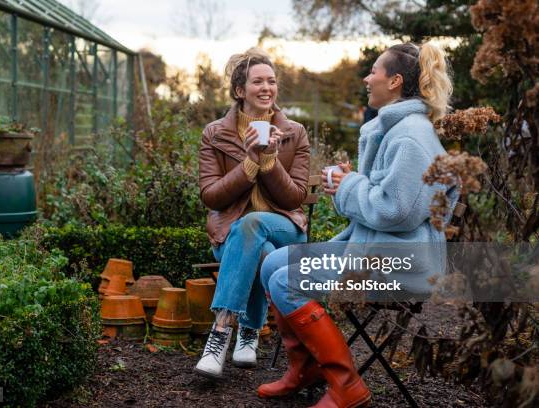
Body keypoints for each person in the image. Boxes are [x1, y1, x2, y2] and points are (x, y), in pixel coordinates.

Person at [257, 42, 459, 407]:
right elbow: (385, 199)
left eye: (374, 71)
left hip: (401, 262)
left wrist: (350, 185)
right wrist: (350, 183)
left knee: (285, 281)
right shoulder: (394, 129)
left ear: (395, 81)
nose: (367, 78)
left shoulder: (411, 136)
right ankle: (306, 370)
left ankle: (346, 384)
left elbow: (396, 212)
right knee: (272, 263)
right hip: (371, 247)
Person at [194, 47, 310, 379]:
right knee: (260, 248)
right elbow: (211, 196)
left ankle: (218, 335)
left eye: (271, 81)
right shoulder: (215, 134)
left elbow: (295, 198)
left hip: (285, 226)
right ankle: (249, 331)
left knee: (255, 223)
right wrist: (249, 163)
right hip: (230, 234)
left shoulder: (295, 133)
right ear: (239, 90)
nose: (266, 88)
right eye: (257, 81)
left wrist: (270, 162)